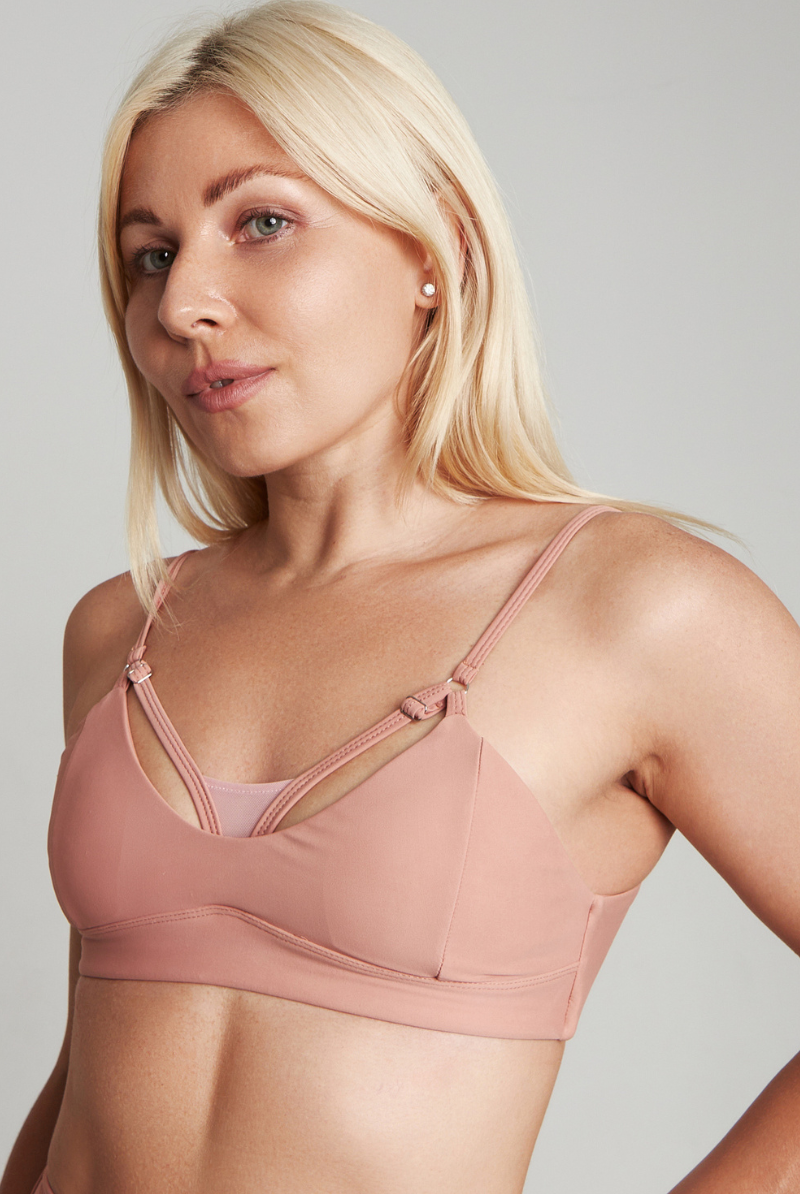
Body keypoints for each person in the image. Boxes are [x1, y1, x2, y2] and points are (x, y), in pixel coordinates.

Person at [2, 2, 799, 1191]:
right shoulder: (121, 628)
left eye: (261, 222)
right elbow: (95, 1059)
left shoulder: (635, 611)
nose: (181, 305)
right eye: (150, 254)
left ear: (434, 250)